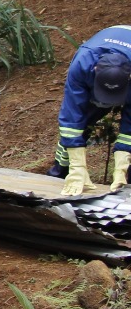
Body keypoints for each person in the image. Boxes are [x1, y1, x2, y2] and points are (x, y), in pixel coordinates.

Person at [48, 26, 131, 194]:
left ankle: (125, 183)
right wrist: (77, 166)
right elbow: (71, 119)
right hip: (91, 76)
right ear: (95, 70)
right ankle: (60, 174)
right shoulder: (82, 64)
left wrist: (121, 168)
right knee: (76, 129)